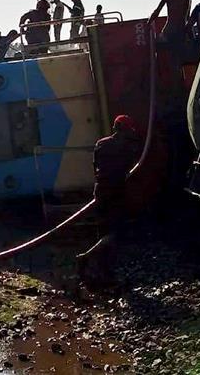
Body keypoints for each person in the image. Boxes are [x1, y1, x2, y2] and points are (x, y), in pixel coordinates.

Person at [76, 114, 142, 286]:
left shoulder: (101, 143)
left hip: (100, 191)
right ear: (126, 130)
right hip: (115, 193)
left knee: (103, 230)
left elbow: (95, 166)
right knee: (115, 233)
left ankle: (101, 272)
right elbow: (129, 168)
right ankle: (87, 258)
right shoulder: (126, 148)